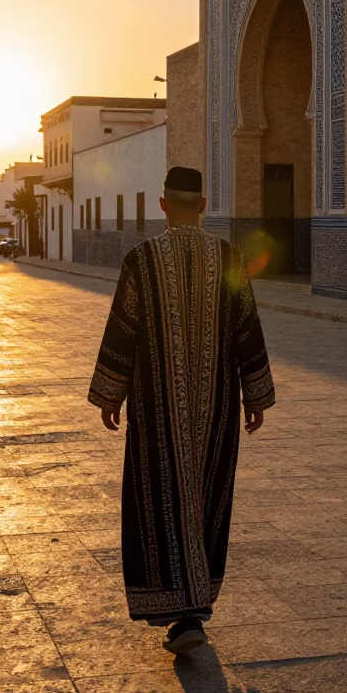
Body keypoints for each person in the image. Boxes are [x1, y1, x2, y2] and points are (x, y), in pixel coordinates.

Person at [89, 166, 275, 656]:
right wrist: (253, 394)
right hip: (217, 411)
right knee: (205, 497)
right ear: (204, 205)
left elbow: (122, 330)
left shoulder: (141, 260)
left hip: (156, 412)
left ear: (164, 204)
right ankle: (194, 609)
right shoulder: (228, 258)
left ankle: (181, 610)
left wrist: (112, 392)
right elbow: (247, 331)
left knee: (161, 497)